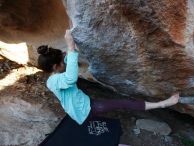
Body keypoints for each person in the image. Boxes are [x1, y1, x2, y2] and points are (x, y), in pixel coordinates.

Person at [37, 29, 180, 126]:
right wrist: (71, 47)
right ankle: (162, 104)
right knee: (123, 103)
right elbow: (70, 78)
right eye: (62, 62)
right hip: (87, 110)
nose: (65, 62)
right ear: (55, 66)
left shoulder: (55, 74)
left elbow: (67, 62)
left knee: (105, 115)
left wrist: (69, 48)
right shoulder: (53, 81)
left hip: (83, 107)